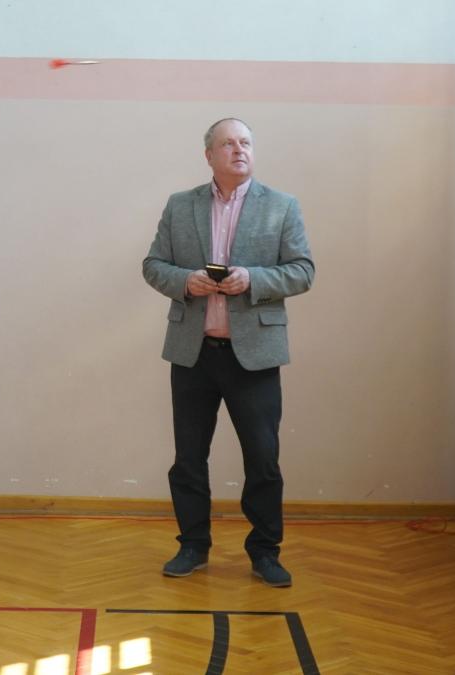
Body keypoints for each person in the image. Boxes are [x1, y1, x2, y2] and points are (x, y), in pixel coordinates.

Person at [142, 118, 314, 588]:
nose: (239, 150)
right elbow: (153, 265)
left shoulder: (281, 206)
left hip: (255, 355)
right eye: (228, 144)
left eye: (246, 143)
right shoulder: (181, 205)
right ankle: (192, 545)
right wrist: (186, 281)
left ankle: (265, 552)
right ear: (209, 155)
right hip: (193, 353)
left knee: (263, 459)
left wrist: (252, 279)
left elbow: (303, 270)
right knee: (188, 458)